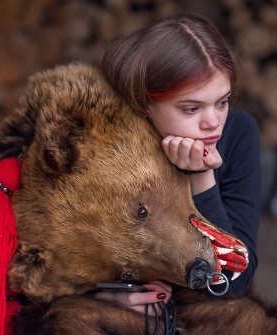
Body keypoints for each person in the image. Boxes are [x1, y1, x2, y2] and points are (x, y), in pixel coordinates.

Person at [97, 11, 261, 310]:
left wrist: (202, 177)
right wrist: (102, 295)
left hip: (205, 312)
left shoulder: (238, 132)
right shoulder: (114, 146)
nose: (213, 122)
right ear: (145, 104)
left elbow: (236, 282)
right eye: (190, 109)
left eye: (222, 102)